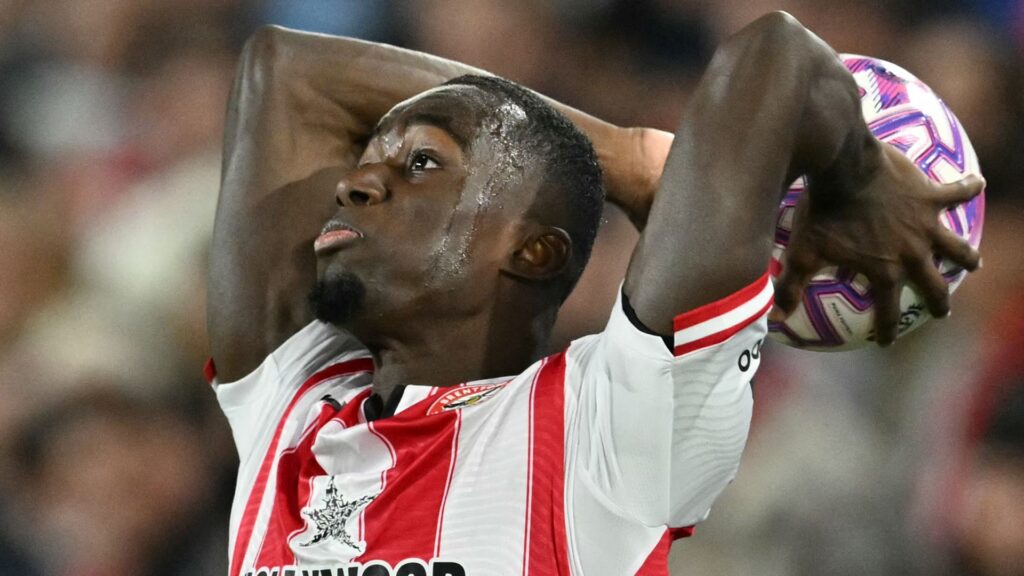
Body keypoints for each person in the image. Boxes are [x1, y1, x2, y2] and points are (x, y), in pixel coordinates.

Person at [206, 11, 983, 576]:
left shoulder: (609, 429)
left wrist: (856, 171)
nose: (355, 182)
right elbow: (284, 72)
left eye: (420, 166)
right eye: (373, 159)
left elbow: (772, 61)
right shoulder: (294, 409)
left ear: (534, 250)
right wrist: (624, 156)